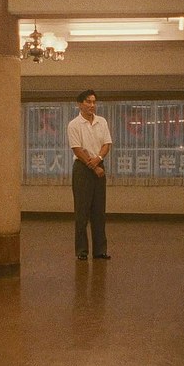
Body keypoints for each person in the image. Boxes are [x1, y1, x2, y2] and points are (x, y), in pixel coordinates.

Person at [68, 89, 113, 260]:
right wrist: (93, 166)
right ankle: (82, 251)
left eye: (94, 102)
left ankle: (100, 250)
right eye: (88, 102)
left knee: (99, 212)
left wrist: (98, 159)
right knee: (82, 212)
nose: (92, 105)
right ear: (80, 104)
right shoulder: (74, 124)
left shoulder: (102, 121)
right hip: (82, 169)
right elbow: (77, 149)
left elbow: (107, 144)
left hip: (98, 165)